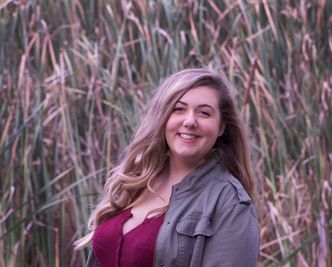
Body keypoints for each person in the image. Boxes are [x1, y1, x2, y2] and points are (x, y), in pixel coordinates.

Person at [74, 68, 260, 267]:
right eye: (178, 109)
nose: (190, 121)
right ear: (163, 117)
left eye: (204, 113)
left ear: (221, 127)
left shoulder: (230, 204)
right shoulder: (133, 181)